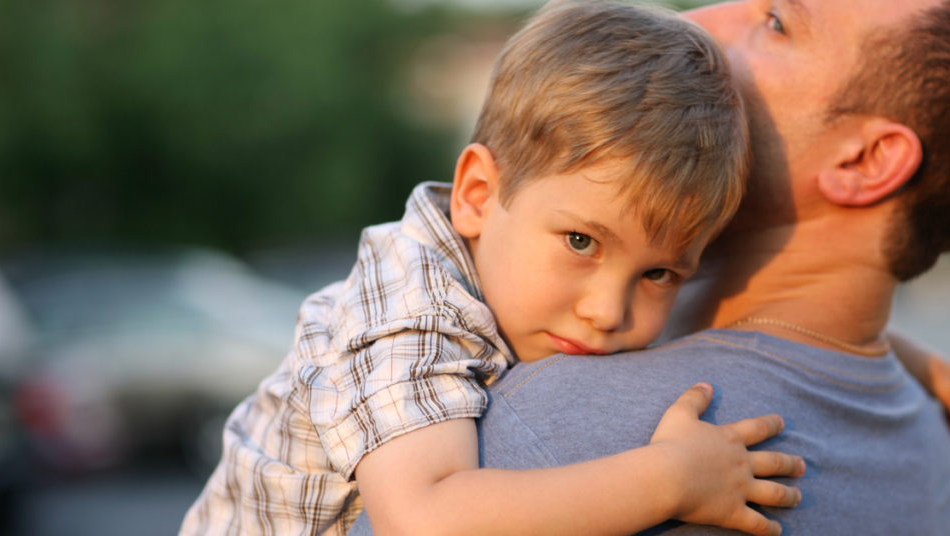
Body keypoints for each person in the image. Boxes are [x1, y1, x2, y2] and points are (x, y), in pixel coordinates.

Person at [180, 2, 810, 535]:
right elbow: (424, 519)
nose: (607, 312)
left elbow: (741, 293)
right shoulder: (411, 309)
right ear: (478, 193)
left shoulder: (522, 273)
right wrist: (670, 479)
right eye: (581, 242)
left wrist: (898, 359)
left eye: (658, 275)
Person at [447, 0, 950, 534]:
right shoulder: (939, 448)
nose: (693, 21)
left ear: (865, 161)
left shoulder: (550, 432)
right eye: (581, 241)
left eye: (776, 24)